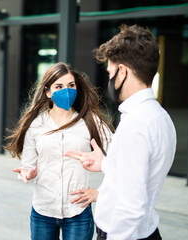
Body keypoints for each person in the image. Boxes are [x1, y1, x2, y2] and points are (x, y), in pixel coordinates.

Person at [65, 24, 177, 240]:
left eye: (110, 73)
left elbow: (131, 207)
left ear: (122, 71)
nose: (110, 79)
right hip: (146, 231)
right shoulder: (160, 116)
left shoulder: (136, 124)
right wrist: (106, 163)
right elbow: (140, 175)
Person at [5, 62, 112, 240]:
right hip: (43, 212)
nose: (67, 91)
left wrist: (101, 193)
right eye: (59, 86)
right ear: (48, 92)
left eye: (71, 85)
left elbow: (121, 158)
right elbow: (28, 166)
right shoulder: (37, 125)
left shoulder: (90, 121)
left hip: (78, 213)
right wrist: (27, 173)